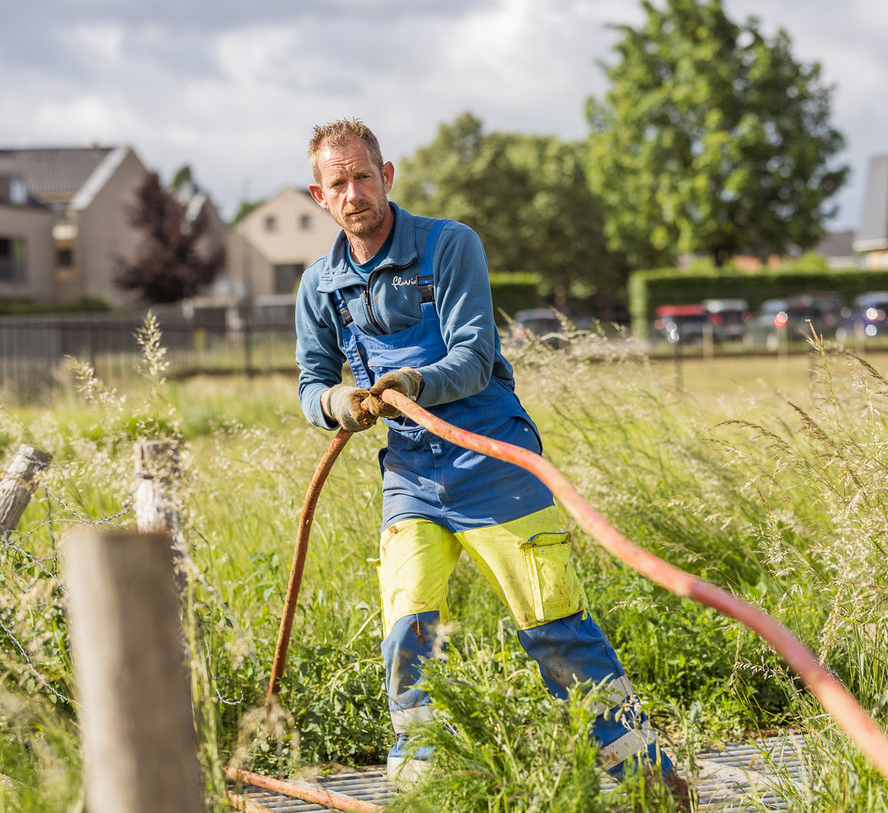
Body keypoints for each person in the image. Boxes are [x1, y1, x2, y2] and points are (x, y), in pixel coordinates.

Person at [293, 118, 690, 807]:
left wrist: (411, 384)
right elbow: (309, 381)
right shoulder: (320, 285)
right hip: (411, 479)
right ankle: (422, 789)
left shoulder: (450, 245)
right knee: (408, 636)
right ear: (319, 195)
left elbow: (475, 357)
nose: (353, 191)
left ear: (386, 177)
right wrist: (336, 402)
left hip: (494, 463)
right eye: (338, 182)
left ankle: (645, 775)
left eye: (363, 175)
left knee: (554, 629)